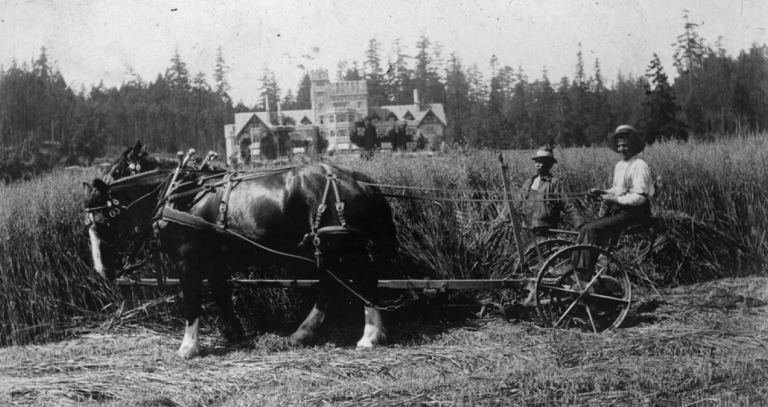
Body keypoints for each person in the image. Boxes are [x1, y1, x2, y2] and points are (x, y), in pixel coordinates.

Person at [575, 125, 654, 269]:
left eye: (625, 145)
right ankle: (574, 270)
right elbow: (618, 190)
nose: (621, 149)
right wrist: (603, 192)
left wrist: (614, 199)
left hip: (636, 214)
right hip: (620, 212)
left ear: (634, 145)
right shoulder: (619, 165)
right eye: (619, 146)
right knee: (585, 229)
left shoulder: (640, 165)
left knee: (594, 230)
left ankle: (585, 274)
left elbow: (640, 198)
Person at [520, 146, 584, 236]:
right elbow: (517, 202)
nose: (537, 164)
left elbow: (568, 205)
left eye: (541, 162)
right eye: (536, 162)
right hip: (526, 228)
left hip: (545, 229)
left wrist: (580, 224)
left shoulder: (554, 183)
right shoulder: (529, 182)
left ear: (549, 164)